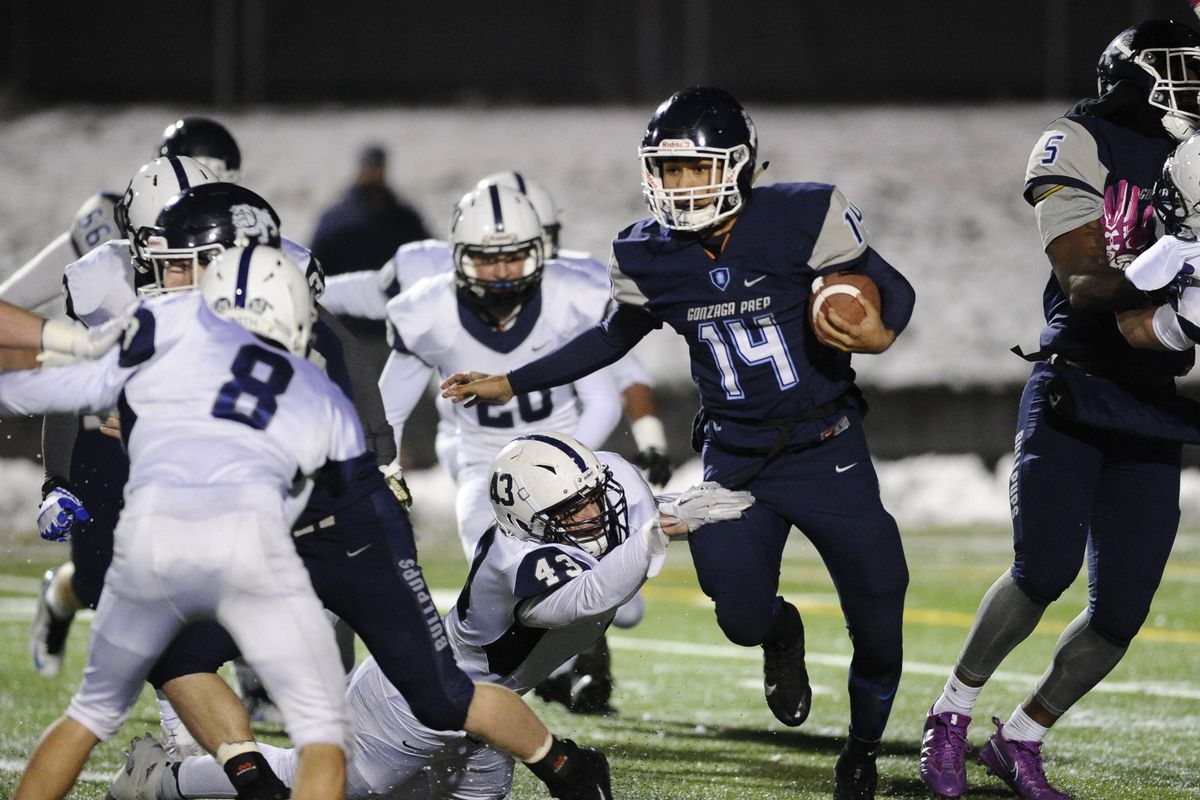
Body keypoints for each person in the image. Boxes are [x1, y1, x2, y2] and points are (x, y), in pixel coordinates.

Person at [442, 87, 916, 800]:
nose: (681, 185)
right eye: (668, 169)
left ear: (740, 164)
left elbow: (893, 288)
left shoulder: (802, 213)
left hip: (827, 451)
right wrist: (512, 382)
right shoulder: (649, 254)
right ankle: (782, 633)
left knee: (881, 612)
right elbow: (609, 338)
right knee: (739, 614)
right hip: (735, 459)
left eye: (696, 168)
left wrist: (880, 333)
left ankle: (863, 747)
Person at [106, 433, 752, 800]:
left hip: (493, 707)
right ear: (532, 521)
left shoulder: (594, 495)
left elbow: (625, 511)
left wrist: (677, 511)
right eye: (572, 511)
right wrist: (654, 533)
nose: (592, 513)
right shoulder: (514, 557)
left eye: (592, 498)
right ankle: (165, 782)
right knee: (324, 787)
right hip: (419, 701)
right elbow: (584, 598)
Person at [917, 19, 1200, 800]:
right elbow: (1083, 282)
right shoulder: (1077, 138)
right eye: (1182, 65)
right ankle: (951, 713)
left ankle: (1022, 736)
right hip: (1079, 381)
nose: (1197, 79)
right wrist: (1175, 257)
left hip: (1162, 399)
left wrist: (1187, 313)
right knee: (1043, 569)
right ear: (1130, 74)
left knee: (1123, 612)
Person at [3, 245, 354, 800]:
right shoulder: (125, 292)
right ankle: (184, 764)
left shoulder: (301, 342)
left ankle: (189, 767)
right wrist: (62, 476)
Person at [380, 183, 622, 560]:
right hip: (485, 467)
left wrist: (569, 467)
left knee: (620, 601)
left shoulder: (568, 296)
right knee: (495, 567)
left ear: (538, 252)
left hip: (568, 453)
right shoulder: (429, 311)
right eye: (486, 259)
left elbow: (604, 402)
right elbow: (386, 414)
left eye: (514, 257)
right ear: (459, 257)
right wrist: (383, 473)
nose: (502, 273)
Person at [309, 144, 430, 279]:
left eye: (378, 169)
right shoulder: (336, 220)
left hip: (393, 295)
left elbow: (431, 257)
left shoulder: (405, 219)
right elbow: (313, 268)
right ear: (360, 171)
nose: (374, 175)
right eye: (370, 168)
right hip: (343, 296)